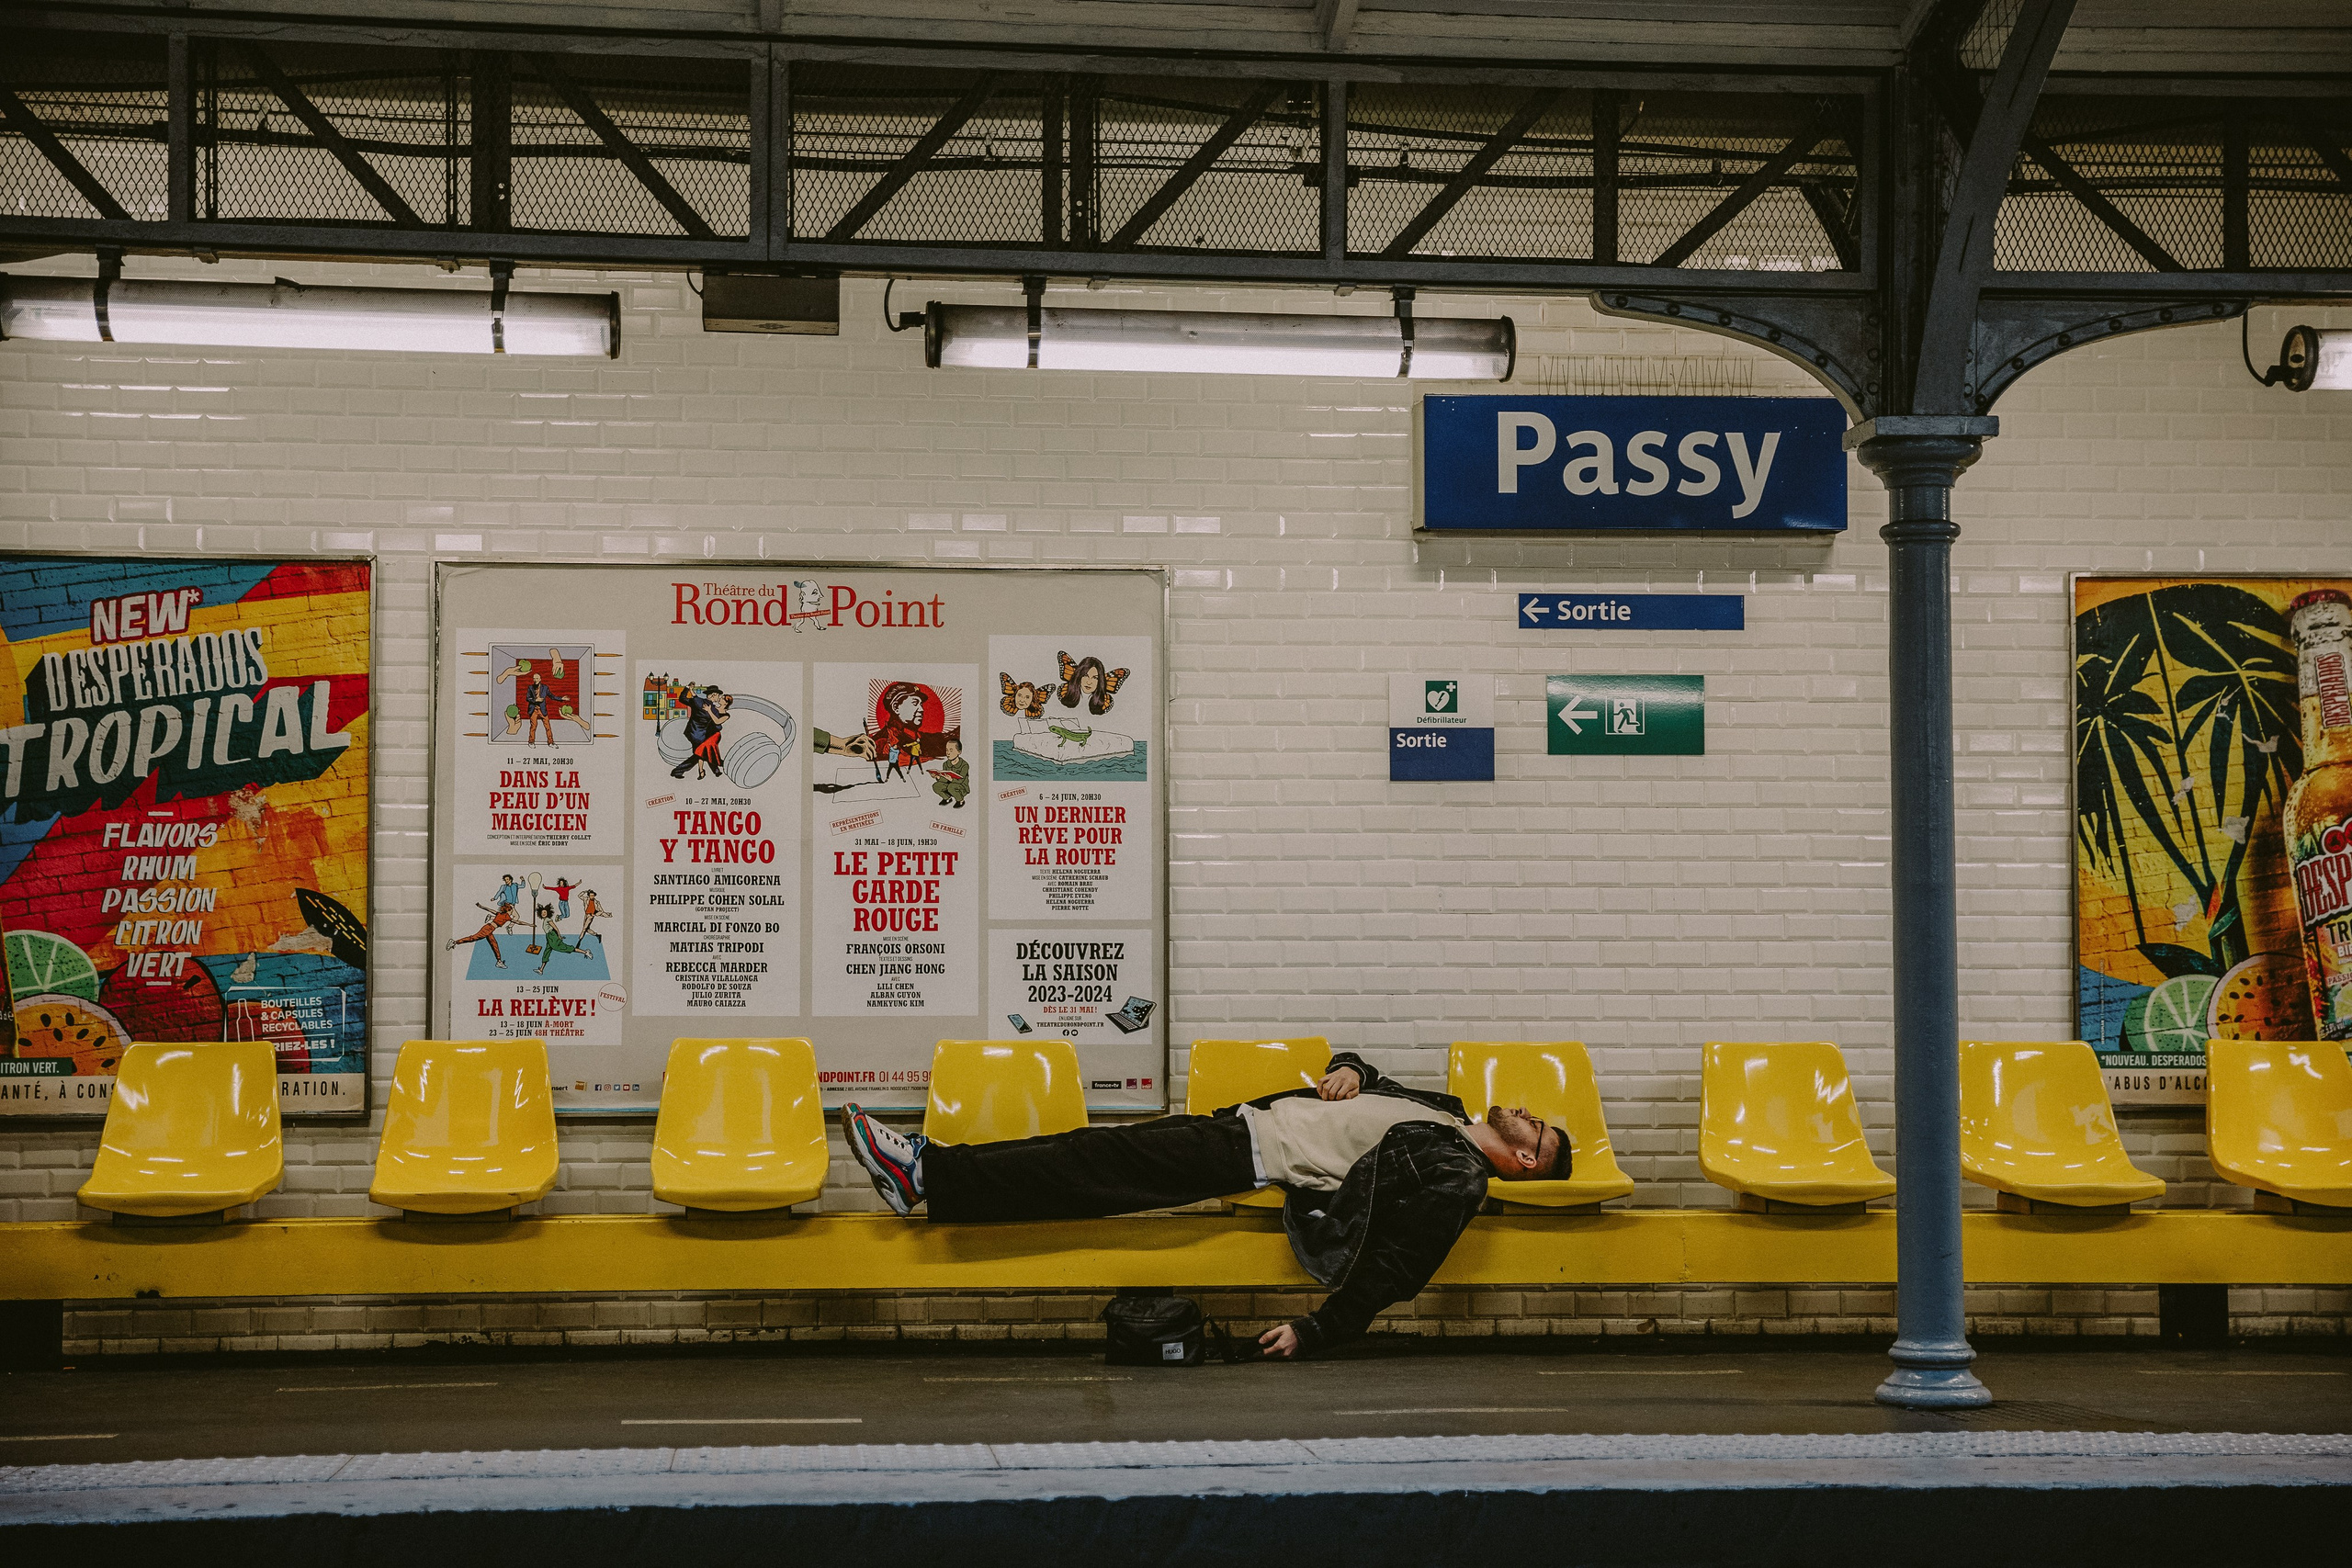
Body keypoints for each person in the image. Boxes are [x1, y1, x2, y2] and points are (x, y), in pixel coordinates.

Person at [841, 1051, 1570, 1359]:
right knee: (1086, 1156)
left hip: (1250, 1154)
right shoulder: (1448, 1112)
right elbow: (1368, 1074)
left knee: (1086, 1161)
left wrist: (1319, 1330)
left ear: (1528, 1160)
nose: (1527, 1111)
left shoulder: (1458, 1174)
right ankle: (931, 1174)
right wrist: (1348, 1068)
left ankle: (924, 1173)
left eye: (1538, 1126)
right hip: (1242, 1123)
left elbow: (1399, 1265)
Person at [447, 903, 516, 968]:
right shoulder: (507, 916)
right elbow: (517, 922)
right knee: (473, 938)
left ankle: (499, 961)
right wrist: (525, 924)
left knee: (494, 944)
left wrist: (481, 906)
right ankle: (454, 942)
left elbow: (489, 910)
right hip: (487, 930)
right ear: (508, 910)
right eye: (511, 911)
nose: (512, 912)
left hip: (489, 929)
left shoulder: (500, 914)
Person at [929, 732, 969, 809]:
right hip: (949, 786)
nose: (948, 753)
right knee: (936, 786)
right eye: (947, 750)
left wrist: (951, 779)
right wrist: (937, 777)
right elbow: (945, 779)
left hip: (961, 787)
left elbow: (961, 780)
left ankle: (960, 800)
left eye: (951, 750)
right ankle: (947, 798)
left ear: (959, 752)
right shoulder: (946, 764)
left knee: (952, 786)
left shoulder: (964, 765)